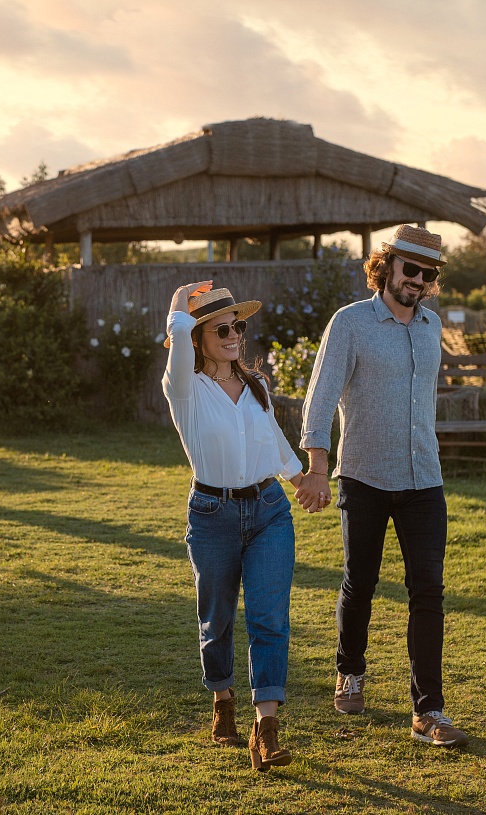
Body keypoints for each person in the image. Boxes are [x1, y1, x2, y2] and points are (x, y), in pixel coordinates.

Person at [296, 224, 469, 748]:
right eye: (410, 268)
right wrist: (318, 466)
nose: (418, 280)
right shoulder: (351, 322)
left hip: (423, 478)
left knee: (429, 590)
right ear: (386, 266)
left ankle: (428, 710)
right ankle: (350, 670)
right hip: (364, 476)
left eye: (428, 274)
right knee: (361, 581)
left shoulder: (432, 326)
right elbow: (321, 397)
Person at [163, 281, 309, 771]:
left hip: (269, 510)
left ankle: (266, 729)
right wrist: (179, 303)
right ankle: (222, 698)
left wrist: (301, 479)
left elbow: (274, 438)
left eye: (237, 327)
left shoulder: (256, 386)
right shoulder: (183, 389)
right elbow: (177, 341)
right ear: (198, 338)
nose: (234, 336)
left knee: (269, 618)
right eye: (221, 330)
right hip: (212, 515)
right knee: (217, 618)